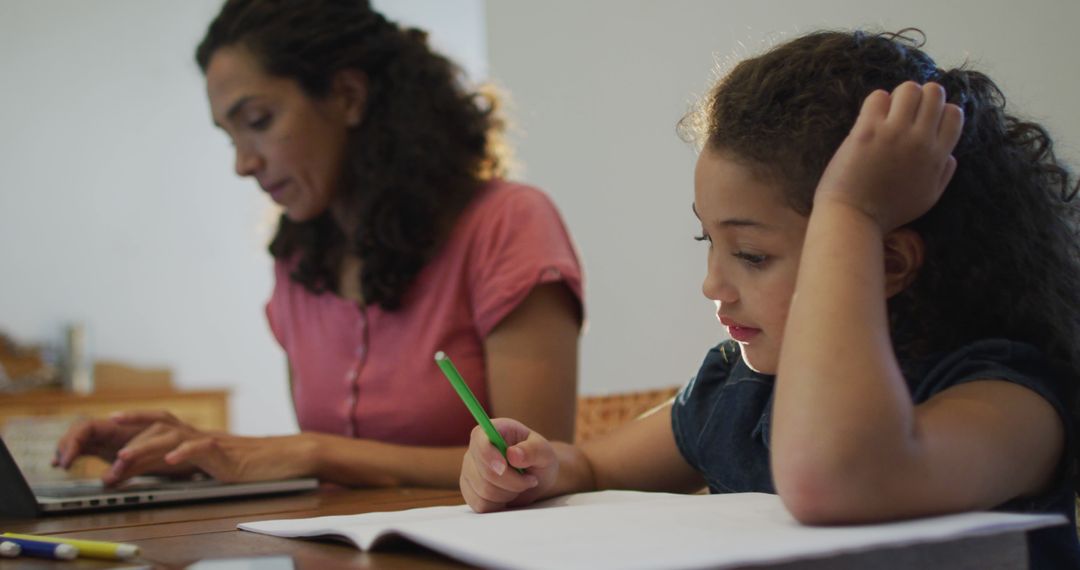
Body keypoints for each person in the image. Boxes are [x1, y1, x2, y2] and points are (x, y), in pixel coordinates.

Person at [458, 29, 1080, 568]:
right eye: (709, 240)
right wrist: (535, 469)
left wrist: (853, 210)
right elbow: (593, 469)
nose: (712, 285)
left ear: (886, 261)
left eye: (752, 255)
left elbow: (837, 480)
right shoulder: (732, 388)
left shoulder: (1010, 401)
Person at [52, 0, 584, 489]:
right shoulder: (298, 261)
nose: (242, 163)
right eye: (229, 136)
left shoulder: (506, 223)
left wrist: (312, 453)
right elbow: (328, 473)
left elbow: (533, 463)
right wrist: (186, 454)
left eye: (257, 121)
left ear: (348, 96)